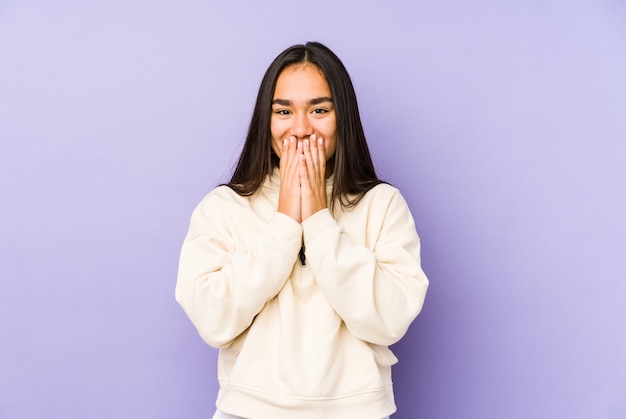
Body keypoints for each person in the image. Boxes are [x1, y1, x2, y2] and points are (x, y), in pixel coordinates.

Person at [175, 41, 428, 419]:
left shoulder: (382, 205)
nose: (301, 128)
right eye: (284, 111)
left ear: (343, 118)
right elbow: (212, 320)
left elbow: (390, 319)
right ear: (267, 119)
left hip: (356, 411)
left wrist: (318, 219)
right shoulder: (224, 207)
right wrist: (285, 223)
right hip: (248, 410)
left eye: (320, 110)